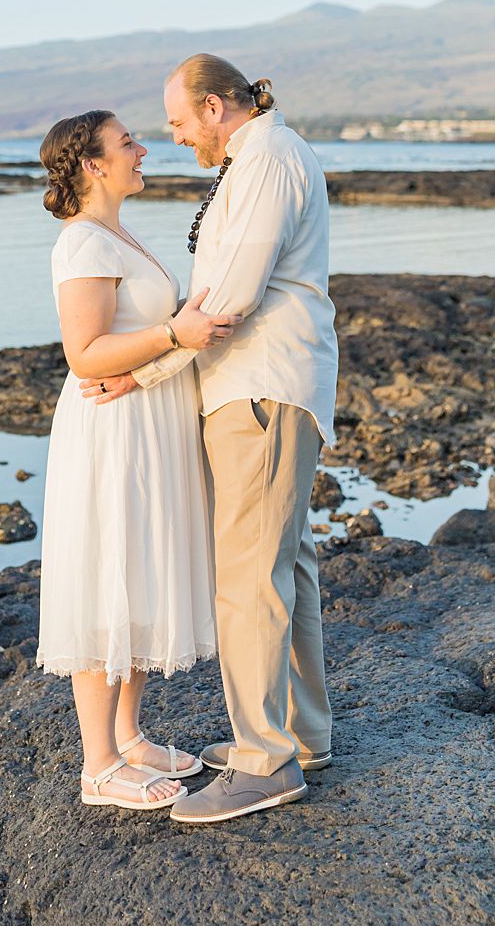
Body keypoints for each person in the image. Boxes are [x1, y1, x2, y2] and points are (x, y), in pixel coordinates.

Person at [82, 56, 338, 823]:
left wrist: (146, 373)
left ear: (217, 107)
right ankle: (300, 736)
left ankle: (265, 763)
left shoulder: (268, 162)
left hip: (259, 386)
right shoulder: (260, 157)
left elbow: (228, 299)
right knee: (285, 564)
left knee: (249, 576)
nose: (173, 137)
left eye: (179, 122)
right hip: (268, 384)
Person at [35, 107, 241, 811]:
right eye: (128, 144)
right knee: (106, 576)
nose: (143, 149)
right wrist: (172, 332)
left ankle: (127, 736)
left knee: (138, 570)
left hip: (147, 421)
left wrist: (176, 334)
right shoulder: (83, 244)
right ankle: (97, 767)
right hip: (111, 430)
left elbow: (157, 333)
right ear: (93, 164)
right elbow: (84, 354)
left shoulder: (118, 233)